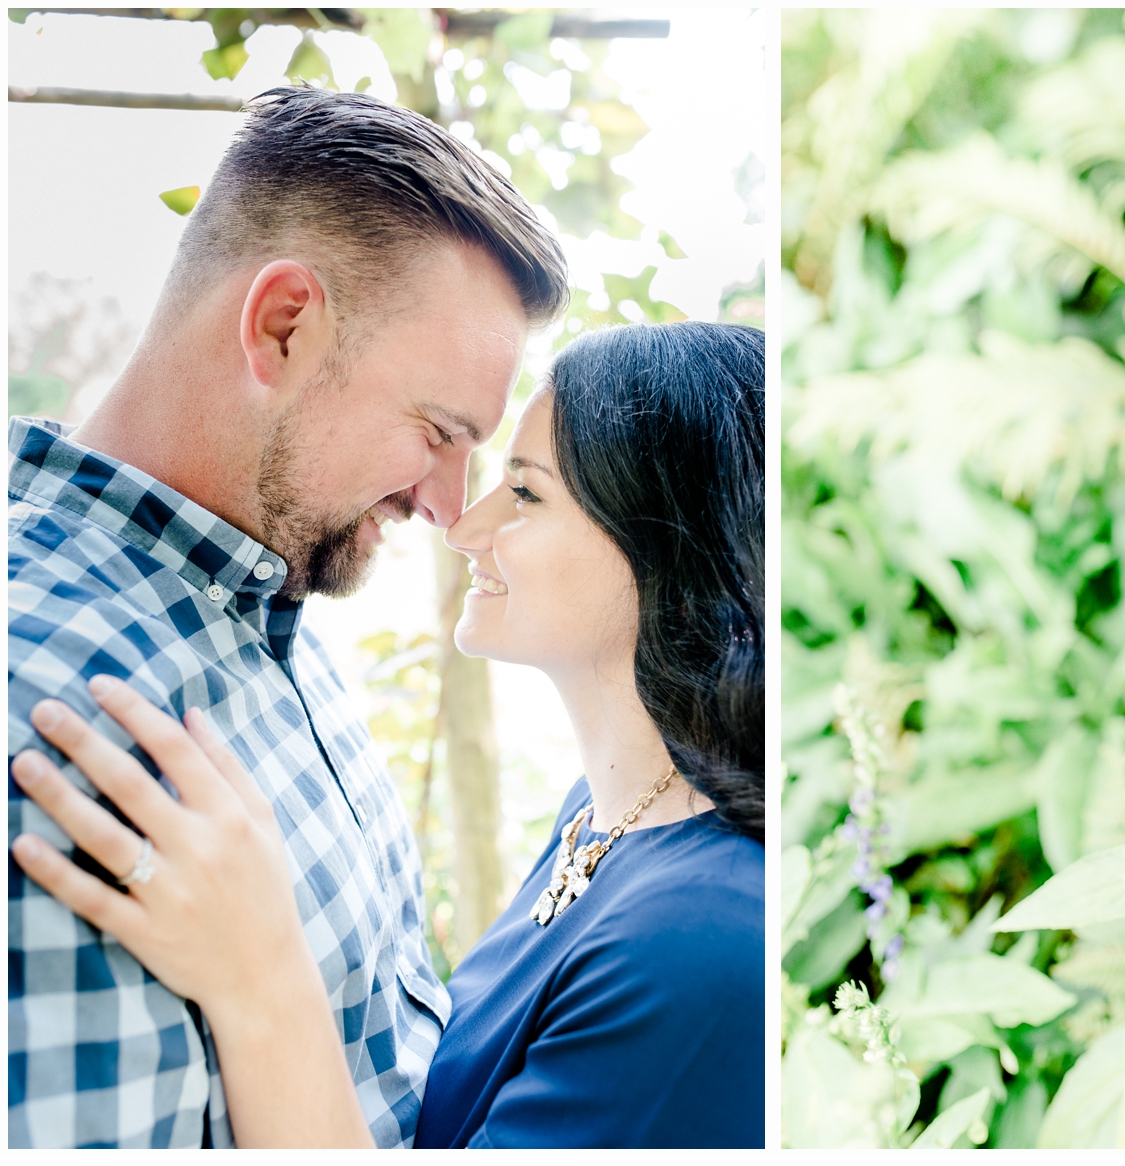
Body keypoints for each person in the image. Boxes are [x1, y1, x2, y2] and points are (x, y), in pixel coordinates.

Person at [12, 322, 767, 1148]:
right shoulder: (601, 816)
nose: (462, 527)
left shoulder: (705, 947)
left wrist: (260, 978)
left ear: (665, 547)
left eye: (525, 494)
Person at [7, 86, 568, 1148]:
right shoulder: (52, 730)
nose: (451, 507)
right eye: (439, 431)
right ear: (283, 325)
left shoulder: (267, 607)